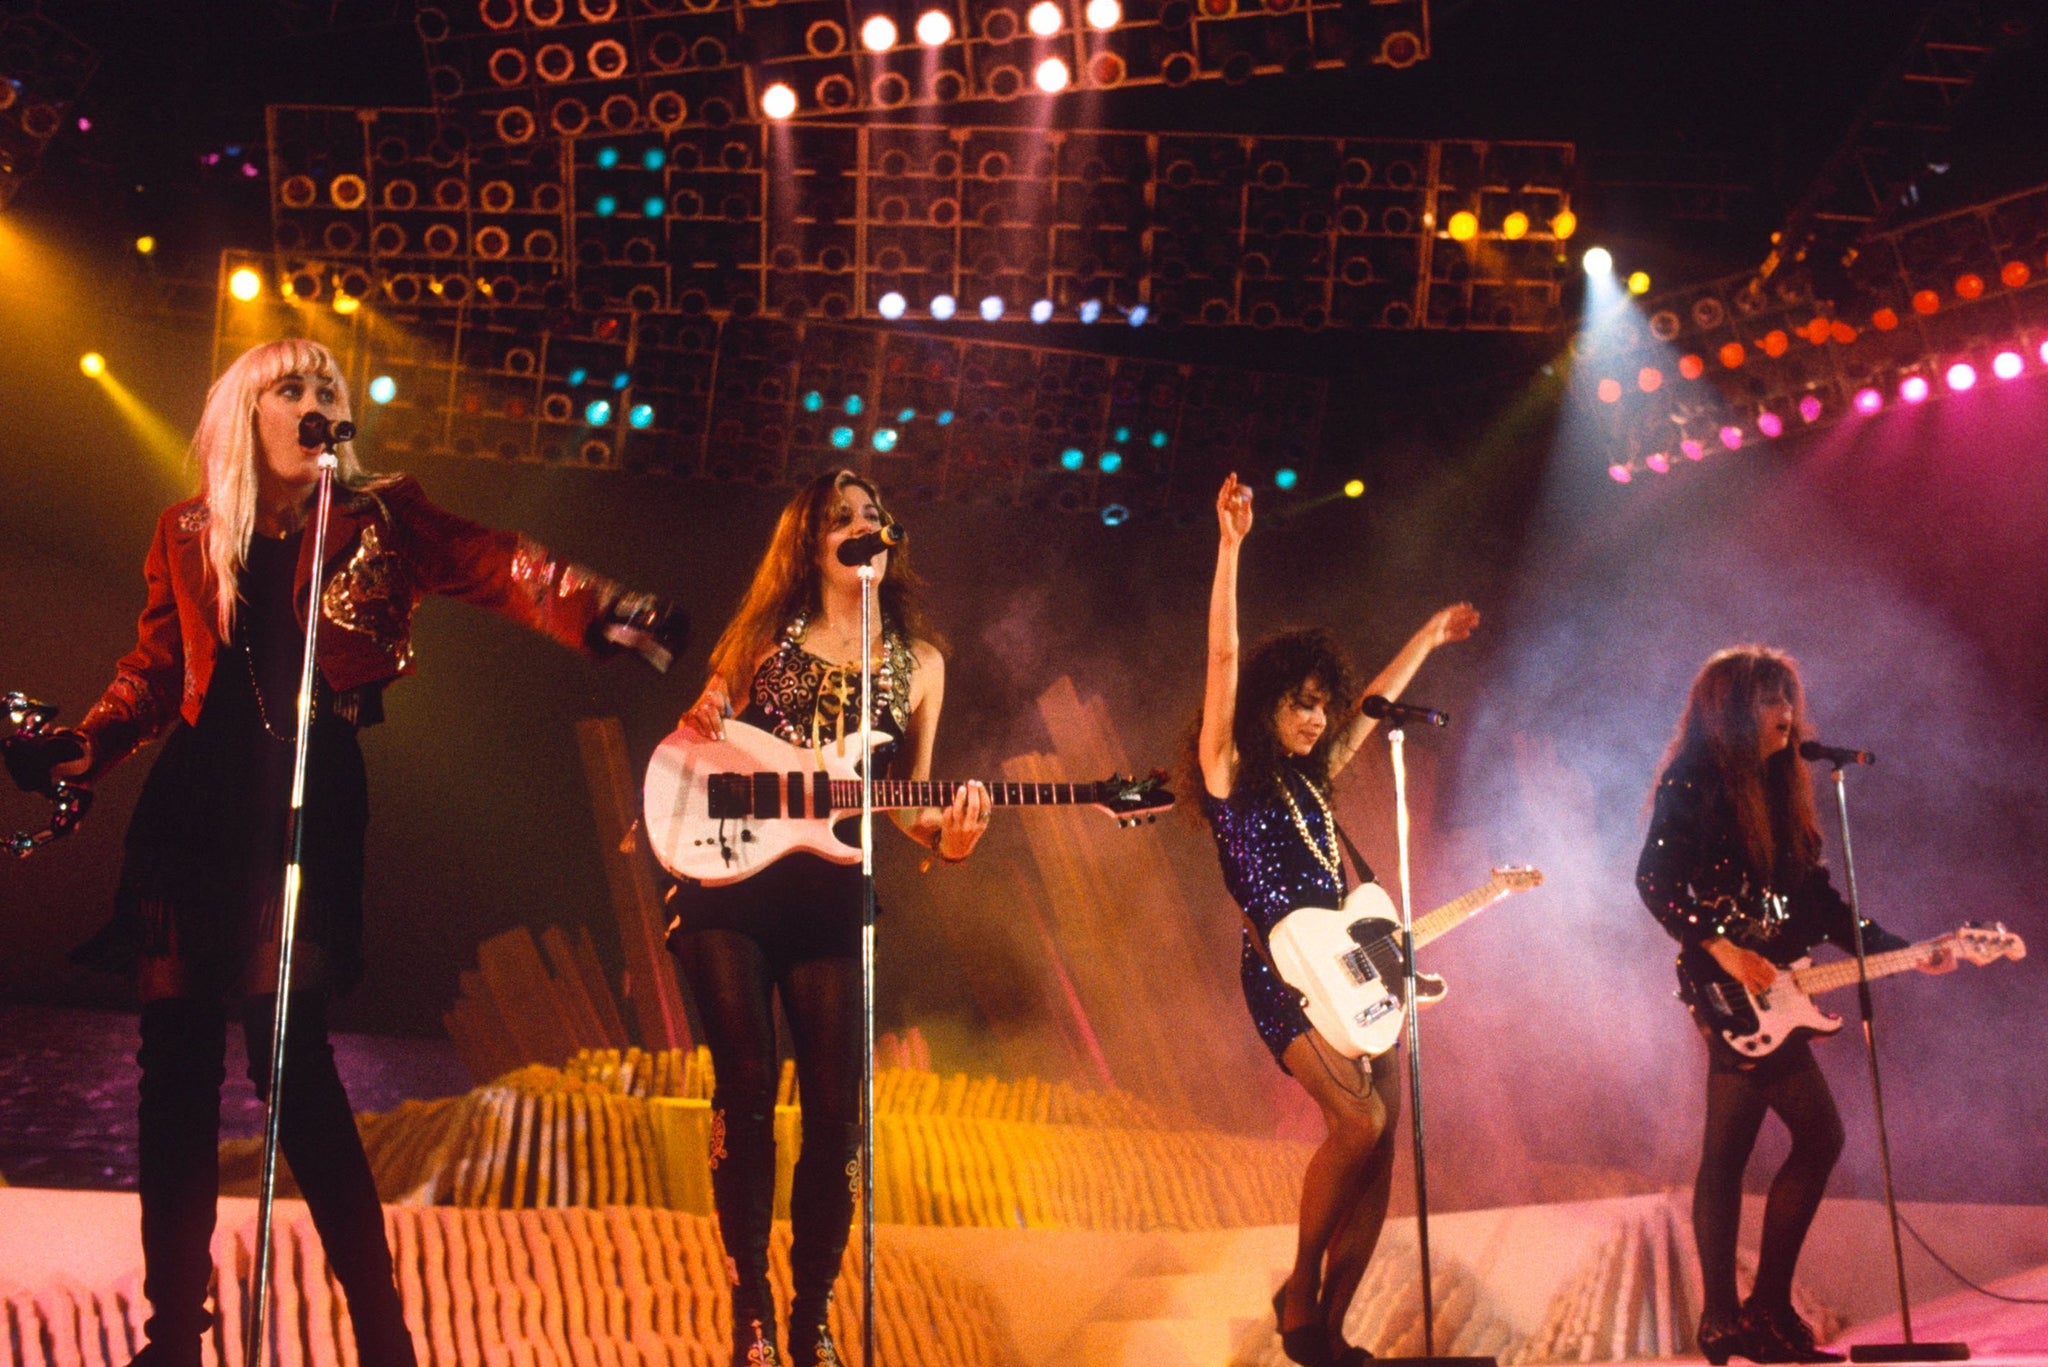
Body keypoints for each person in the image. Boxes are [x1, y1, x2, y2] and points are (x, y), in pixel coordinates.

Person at [4, 338, 685, 1367]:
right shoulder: (188, 529)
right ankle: (172, 1337)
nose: (317, 398)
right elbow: (155, 672)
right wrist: (81, 747)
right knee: (174, 1074)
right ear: (246, 413)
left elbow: (495, 562)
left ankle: (382, 1337)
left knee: (296, 1065)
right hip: (193, 803)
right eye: (292, 386)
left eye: (327, 385)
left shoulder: (383, 515)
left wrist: (602, 605)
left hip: (310, 793)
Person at [671, 469, 991, 1367]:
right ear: (809, 545)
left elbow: (908, 801)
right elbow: (697, 737)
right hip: (731, 881)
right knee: (744, 1083)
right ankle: (751, 1308)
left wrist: (953, 839)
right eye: (842, 518)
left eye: (873, 514)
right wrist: (703, 730)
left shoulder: (920, 663)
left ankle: (811, 1314)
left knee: (835, 1109)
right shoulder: (761, 637)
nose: (863, 525)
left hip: (831, 888)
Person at [1197, 473, 1478, 1367]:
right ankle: (1300, 1291)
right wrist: (1231, 548)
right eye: (1301, 701)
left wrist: (1426, 637)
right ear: (1268, 703)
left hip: (1355, 967)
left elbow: (1370, 706)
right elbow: (1223, 660)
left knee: (1383, 1142)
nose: (1317, 717)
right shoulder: (1228, 771)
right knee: (1355, 1123)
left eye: (1323, 702)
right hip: (1282, 976)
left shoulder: (1315, 778)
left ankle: (1329, 1326)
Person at [1637, 646, 1951, 1365]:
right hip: (1727, 987)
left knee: (1728, 1150)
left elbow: (1822, 906)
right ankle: (1759, 1310)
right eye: (1771, 699)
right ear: (1733, 711)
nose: (1787, 713)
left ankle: (1732, 1319)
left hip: (1777, 991)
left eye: (1789, 698)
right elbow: (1655, 878)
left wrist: (1905, 949)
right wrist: (1722, 949)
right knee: (1818, 1134)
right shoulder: (1694, 778)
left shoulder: (1784, 794)